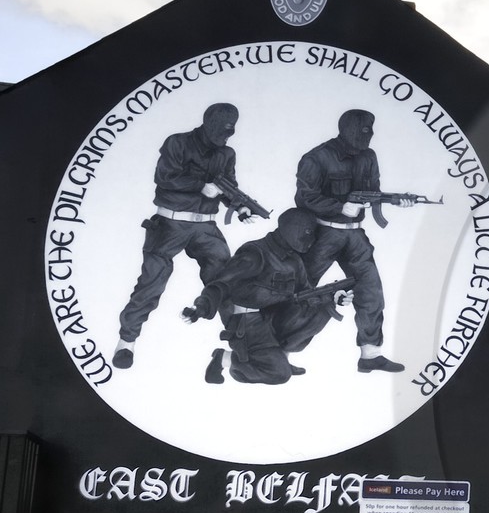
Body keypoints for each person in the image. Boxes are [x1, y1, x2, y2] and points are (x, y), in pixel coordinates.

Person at [113, 103, 254, 369]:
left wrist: (240, 206)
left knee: (227, 280)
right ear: (208, 124)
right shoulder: (178, 143)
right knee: (153, 280)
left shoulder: (227, 153)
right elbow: (165, 177)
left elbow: (228, 188)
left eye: (228, 133)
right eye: (220, 132)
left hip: (206, 227)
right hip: (170, 222)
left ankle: (241, 344)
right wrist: (201, 186)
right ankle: (126, 343)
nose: (223, 138)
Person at [293, 109, 409, 373]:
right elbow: (304, 198)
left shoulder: (369, 157)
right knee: (299, 289)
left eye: (369, 132)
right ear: (347, 130)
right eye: (362, 132)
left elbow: (374, 192)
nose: (367, 137)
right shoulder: (316, 157)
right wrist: (338, 207)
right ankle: (276, 348)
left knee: (371, 291)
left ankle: (370, 354)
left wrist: (397, 200)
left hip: (355, 235)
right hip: (322, 233)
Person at [182, 209, 350, 384]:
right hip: (247, 320)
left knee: (321, 309)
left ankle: (278, 357)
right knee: (279, 374)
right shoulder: (255, 253)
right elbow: (222, 283)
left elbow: (306, 293)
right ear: (292, 229)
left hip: (273, 316)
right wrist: (200, 307)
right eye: (308, 233)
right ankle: (225, 358)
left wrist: (333, 296)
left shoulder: (294, 260)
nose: (312, 239)